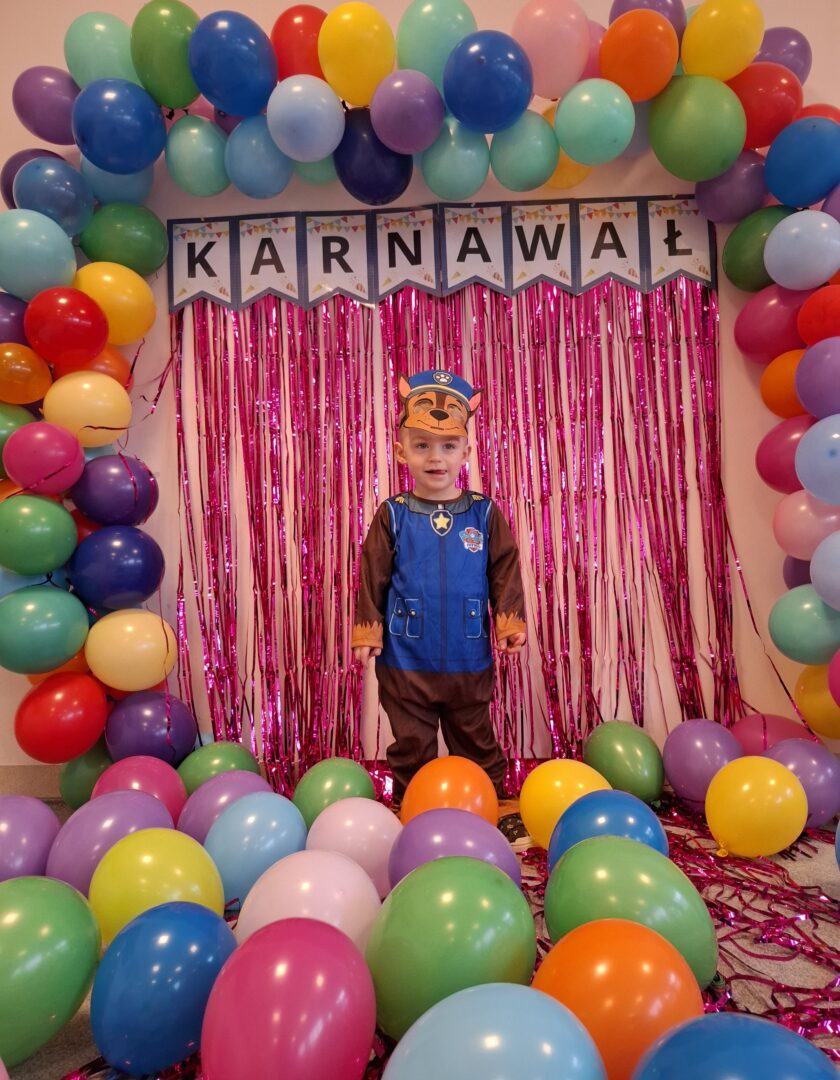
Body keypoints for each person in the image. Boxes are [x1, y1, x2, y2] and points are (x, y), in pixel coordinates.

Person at [351, 368, 527, 807]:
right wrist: (368, 629)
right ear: (401, 452)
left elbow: (504, 569)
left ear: (466, 451)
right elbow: (373, 573)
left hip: (469, 657)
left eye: (448, 446)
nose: (436, 458)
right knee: (412, 745)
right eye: (422, 445)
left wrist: (509, 621)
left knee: (476, 741)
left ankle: (492, 806)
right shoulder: (392, 514)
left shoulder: (483, 513)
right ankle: (413, 809)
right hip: (405, 659)